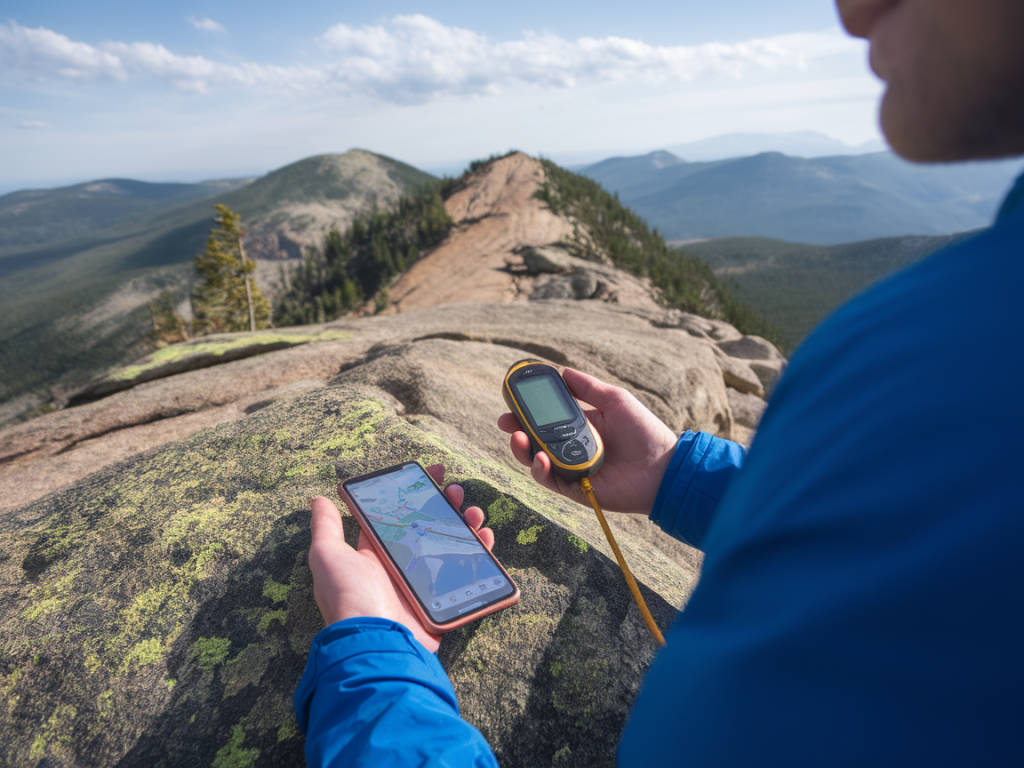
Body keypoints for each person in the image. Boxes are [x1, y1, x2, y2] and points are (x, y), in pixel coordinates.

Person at [293, 0, 1024, 764]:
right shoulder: (964, 354)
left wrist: (374, 666)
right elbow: (904, 545)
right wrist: (684, 476)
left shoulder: (928, 358)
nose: (851, 9)